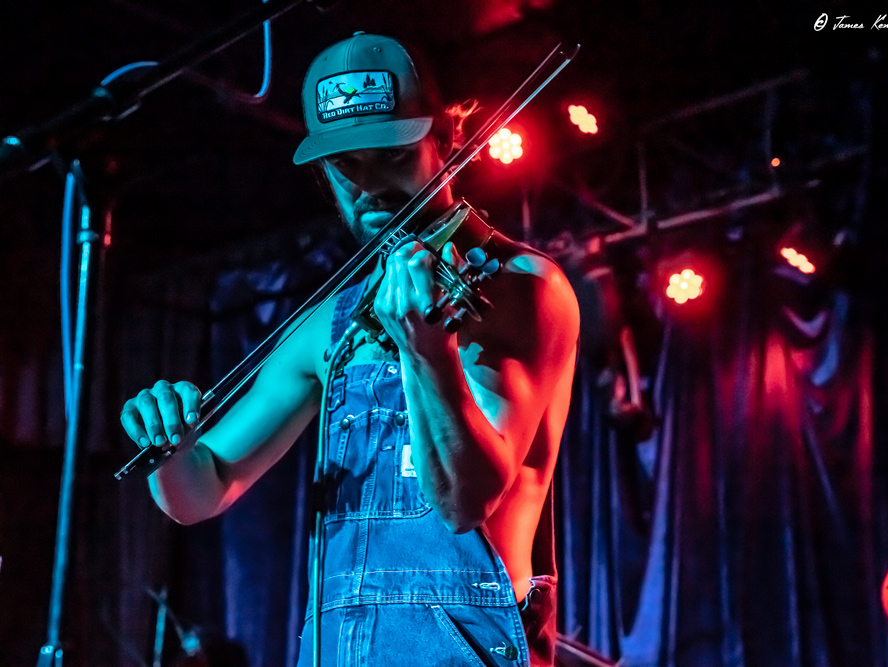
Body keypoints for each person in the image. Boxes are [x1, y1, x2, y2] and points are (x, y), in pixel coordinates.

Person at [119, 32, 579, 667]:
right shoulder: (329, 322)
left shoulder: (523, 290)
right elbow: (204, 490)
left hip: (466, 645)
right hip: (339, 649)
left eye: (390, 156)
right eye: (347, 167)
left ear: (443, 142)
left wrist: (428, 352)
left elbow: (465, 500)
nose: (368, 188)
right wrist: (168, 449)